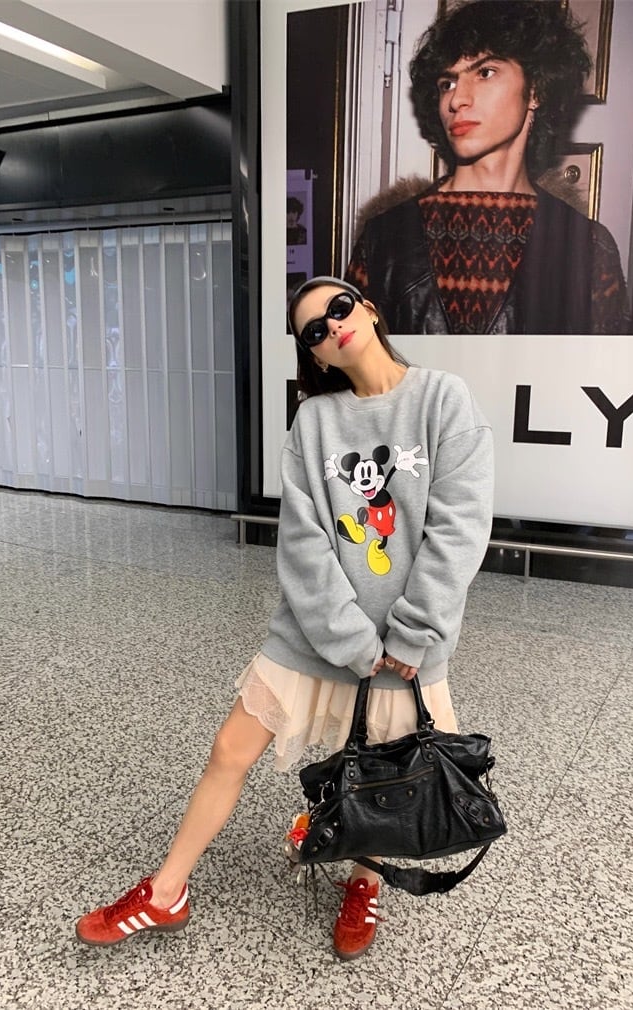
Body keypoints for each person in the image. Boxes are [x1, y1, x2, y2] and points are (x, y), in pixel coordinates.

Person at [75, 276, 494, 960]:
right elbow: (302, 541)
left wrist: (413, 633)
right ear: (315, 355)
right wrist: (349, 637)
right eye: (314, 331)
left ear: (369, 309)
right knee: (229, 750)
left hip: (407, 648)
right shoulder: (315, 421)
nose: (332, 327)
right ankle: (166, 891)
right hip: (313, 632)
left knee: (387, 775)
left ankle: (365, 883)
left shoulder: (443, 398)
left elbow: (461, 529)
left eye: (339, 308)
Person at [345, 0, 629, 335]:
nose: (456, 99)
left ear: (535, 90)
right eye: (447, 83)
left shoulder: (588, 248)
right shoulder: (382, 239)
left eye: (485, 72)